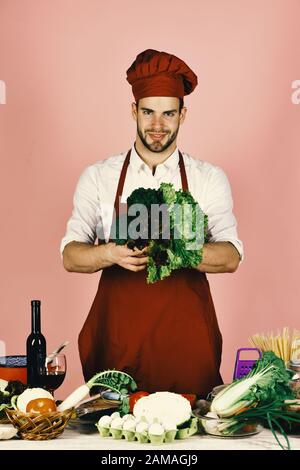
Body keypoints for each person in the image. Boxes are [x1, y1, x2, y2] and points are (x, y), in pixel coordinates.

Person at [60, 49, 244, 397]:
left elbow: (231, 256)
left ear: (182, 115)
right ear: (134, 111)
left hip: (187, 352)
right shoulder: (99, 176)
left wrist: (180, 251)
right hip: (117, 351)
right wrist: (111, 253)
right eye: (148, 112)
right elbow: (70, 255)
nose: (157, 125)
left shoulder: (208, 179)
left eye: (168, 113)